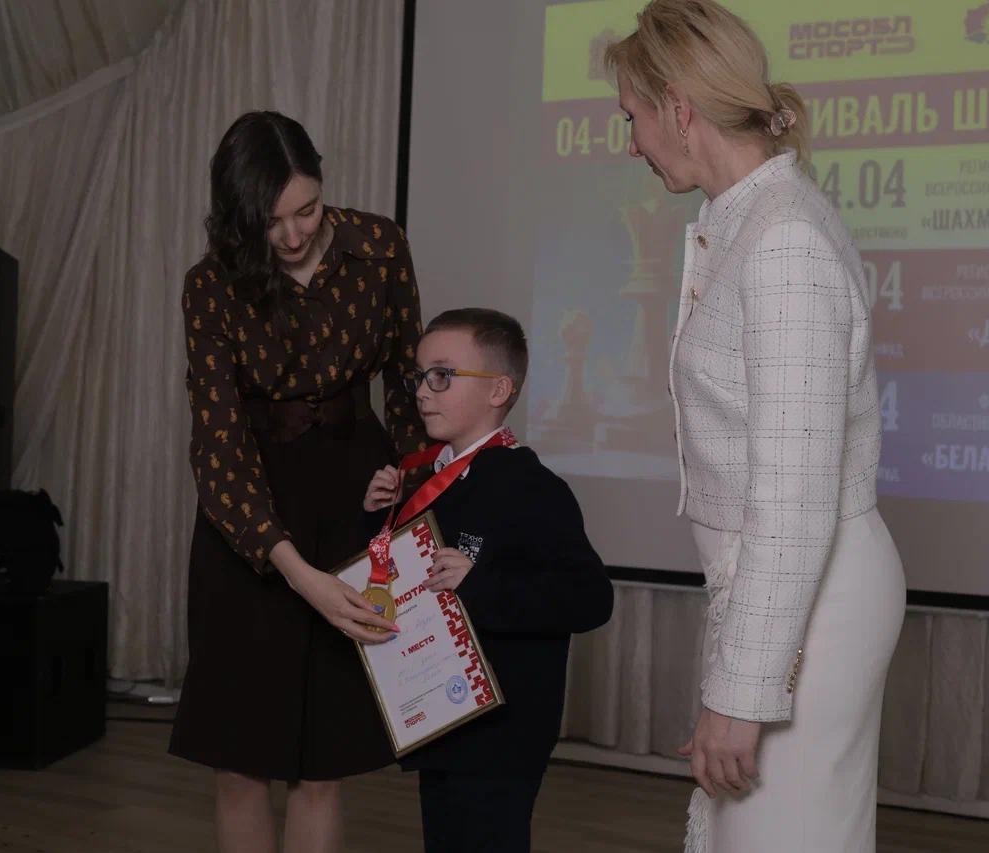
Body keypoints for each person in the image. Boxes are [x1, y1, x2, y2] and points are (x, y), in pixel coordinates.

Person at [604, 3, 906, 851]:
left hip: (813, 591)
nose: (630, 143)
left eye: (631, 117)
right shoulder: (751, 219)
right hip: (787, 587)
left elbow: (794, 496)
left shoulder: (782, 241)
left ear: (679, 110)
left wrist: (742, 692)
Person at [168, 110, 429, 853]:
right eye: (270, 220)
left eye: (306, 210)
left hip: (355, 498)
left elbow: (407, 390)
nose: (291, 235)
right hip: (249, 512)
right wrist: (294, 569)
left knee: (322, 767)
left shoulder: (381, 248)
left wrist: (413, 502)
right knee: (241, 763)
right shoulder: (211, 285)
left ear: (322, 181)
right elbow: (217, 442)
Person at [363, 308, 615, 853]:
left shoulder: (533, 487)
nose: (422, 391)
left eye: (442, 376)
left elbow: (591, 598)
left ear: (498, 390)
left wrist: (480, 583)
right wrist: (378, 520)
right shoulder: (425, 481)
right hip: (440, 720)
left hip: (503, 733)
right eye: (419, 376)